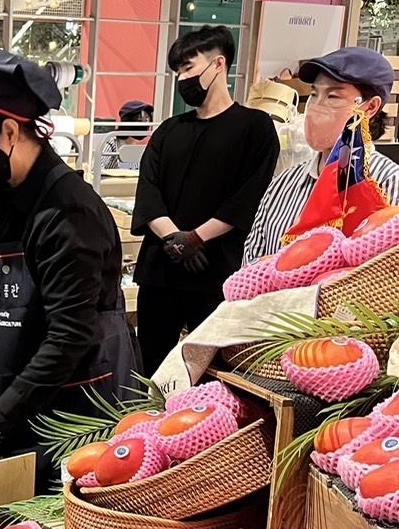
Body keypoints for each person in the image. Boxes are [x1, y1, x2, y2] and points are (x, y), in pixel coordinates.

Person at [0, 51, 138, 493]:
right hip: (21, 397)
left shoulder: (69, 213)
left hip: (80, 407)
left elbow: (69, 335)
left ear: (9, 132)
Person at [132, 25, 279, 376]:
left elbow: (247, 196)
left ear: (218, 64)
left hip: (215, 270)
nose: (183, 78)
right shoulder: (169, 130)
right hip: (159, 270)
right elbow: (148, 190)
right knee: (151, 365)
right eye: (178, 71)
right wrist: (174, 239)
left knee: (210, 370)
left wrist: (196, 239)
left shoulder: (255, 127)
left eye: (188, 68)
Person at [244, 47, 399, 265]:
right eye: (315, 94)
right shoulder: (282, 184)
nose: (316, 106)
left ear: (370, 107)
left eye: (333, 96)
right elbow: (250, 261)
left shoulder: (389, 185)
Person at [101, 100, 153, 171]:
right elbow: (97, 168)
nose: (145, 123)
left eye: (147, 118)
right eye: (140, 118)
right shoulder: (111, 144)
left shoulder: (141, 148)